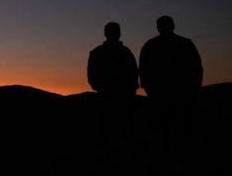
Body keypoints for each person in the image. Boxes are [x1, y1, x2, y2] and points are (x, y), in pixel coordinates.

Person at [138, 15, 203, 157]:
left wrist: (149, 89)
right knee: (172, 128)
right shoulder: (184, 44)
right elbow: (196, 68)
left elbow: (143, 70)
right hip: (174, 95)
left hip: (174, 95)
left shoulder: (151, 45)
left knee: (168, 129)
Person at [86, 22, 139, 166]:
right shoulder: (123, 52)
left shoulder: (101, 52)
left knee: (113, 128)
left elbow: (134, 73)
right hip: (114, 95)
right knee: (111, 128)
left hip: (115, 95)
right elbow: (134, 73)